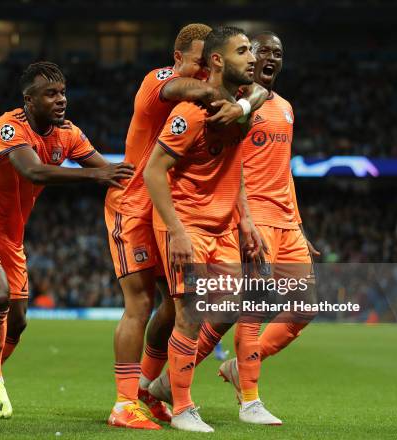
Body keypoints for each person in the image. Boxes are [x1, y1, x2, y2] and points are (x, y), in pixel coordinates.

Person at [0, 61, 134, 419]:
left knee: (17, 321)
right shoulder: (8, 127)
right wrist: (96, 176)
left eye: (62, 92)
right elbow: (33, 169)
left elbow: (107, 169)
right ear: (29, 100)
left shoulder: (68, 134)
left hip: (11, 237)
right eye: (50, 94)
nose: (61, 99)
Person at [104, 23, 267, 430]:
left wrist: (246, 102)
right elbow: (199, 90)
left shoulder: (227, 97)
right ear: (179, 59)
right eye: (196, 63)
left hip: (172, 207)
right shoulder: (161, 81)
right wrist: (240, 100)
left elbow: (259, 92)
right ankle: (125, 403)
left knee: (174, 308)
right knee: (141, 305)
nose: (198, 72)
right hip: (134, 205)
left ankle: (149, 390)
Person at [143, 26, 257, 432]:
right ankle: (182, 406)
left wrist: (244, 218)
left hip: (223, 225)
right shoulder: (191, 112)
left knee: (232, 304)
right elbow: (154, 171)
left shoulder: (241, 104)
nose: (252, 58)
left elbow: (236, 164)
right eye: (243, 51)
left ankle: (162, 385)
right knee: (190, 313)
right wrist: (175, 230)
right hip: (186, 224)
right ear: (217, 61)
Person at [217, 31, 319, 425]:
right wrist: (242, 221)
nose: (272, 58)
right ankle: (250, 401)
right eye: (264, 52)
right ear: (249, 57)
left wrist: (300, 225)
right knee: (252, 308)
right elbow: (229, 167)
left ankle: (237, 368)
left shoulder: (287, 108)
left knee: (304, 307)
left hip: (286, 221)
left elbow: (284, 172)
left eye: (279, 52)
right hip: (254, 218)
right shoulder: (236, 104)